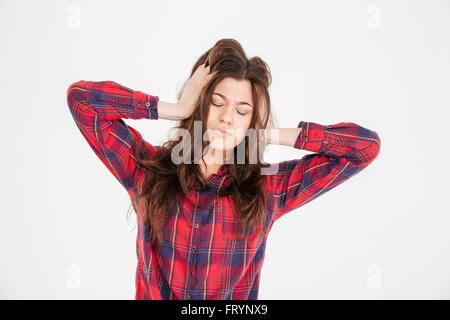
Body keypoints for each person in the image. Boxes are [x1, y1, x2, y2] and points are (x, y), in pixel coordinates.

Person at [66, 38, 381, 300]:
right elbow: (82, 101)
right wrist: (175, 108)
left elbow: (363, 148)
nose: (228, 117)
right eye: (217, 102)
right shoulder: (150, 170)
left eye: (242, 110)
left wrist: (269, 132)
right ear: (199, 102)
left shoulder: (268, 185)